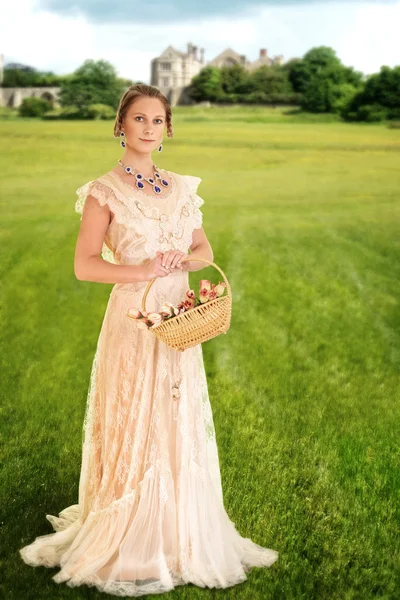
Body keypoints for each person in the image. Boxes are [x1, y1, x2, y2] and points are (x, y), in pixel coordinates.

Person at [19, 84, 278, 596]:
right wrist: (138, 267)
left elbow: (204, 246)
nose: (147, 128)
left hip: (180, 319)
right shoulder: (104, 192)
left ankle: (178, 531)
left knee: (175, 414)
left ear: (167, 129)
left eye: (157, 120)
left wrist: (188, 260)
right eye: (138, 119)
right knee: (135, 414)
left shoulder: (182, 188)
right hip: (134, 321)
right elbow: (84, 265)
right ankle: (129, 533)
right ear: (121, 125)